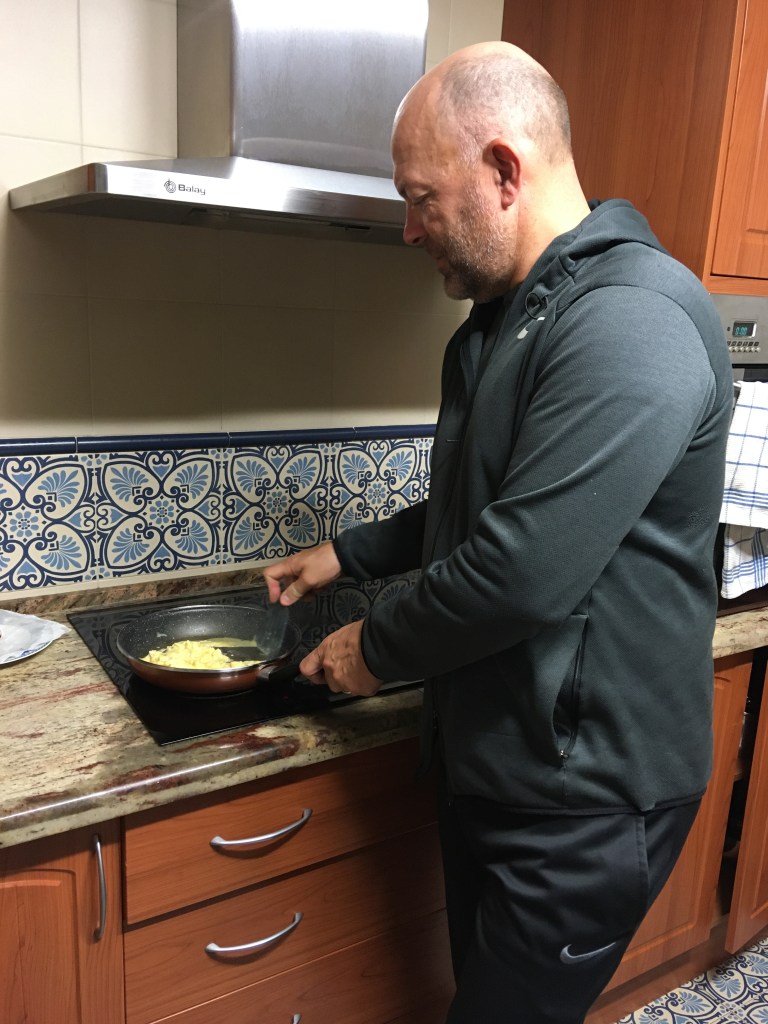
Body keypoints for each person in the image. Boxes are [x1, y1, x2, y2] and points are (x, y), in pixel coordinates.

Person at [263, 41, 733, 1024]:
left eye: (421, 198)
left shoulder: (632, 320)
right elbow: (483, 509)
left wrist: (372, 648)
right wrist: (351, 552)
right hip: (500, 763)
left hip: (586, 796)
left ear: (505, 171)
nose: (407, 229)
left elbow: (521, 570)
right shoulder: (500, 323)